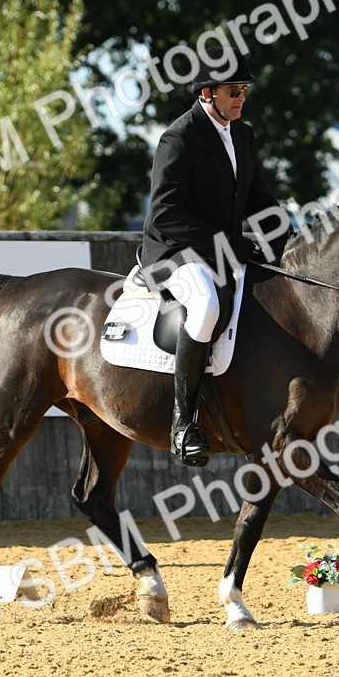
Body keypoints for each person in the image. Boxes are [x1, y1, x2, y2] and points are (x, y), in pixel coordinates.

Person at [139, 47, 287, 467]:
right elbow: (165, 213)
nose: (241, 97)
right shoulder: (179, 137)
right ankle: (184, 422)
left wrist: (284, 239)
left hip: (221, 250)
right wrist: (226, 242)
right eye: (234, 90)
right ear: (207, 93)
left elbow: (258, 198)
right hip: (173, 252)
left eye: (245, 90)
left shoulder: (243, 134)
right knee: (205, 305)